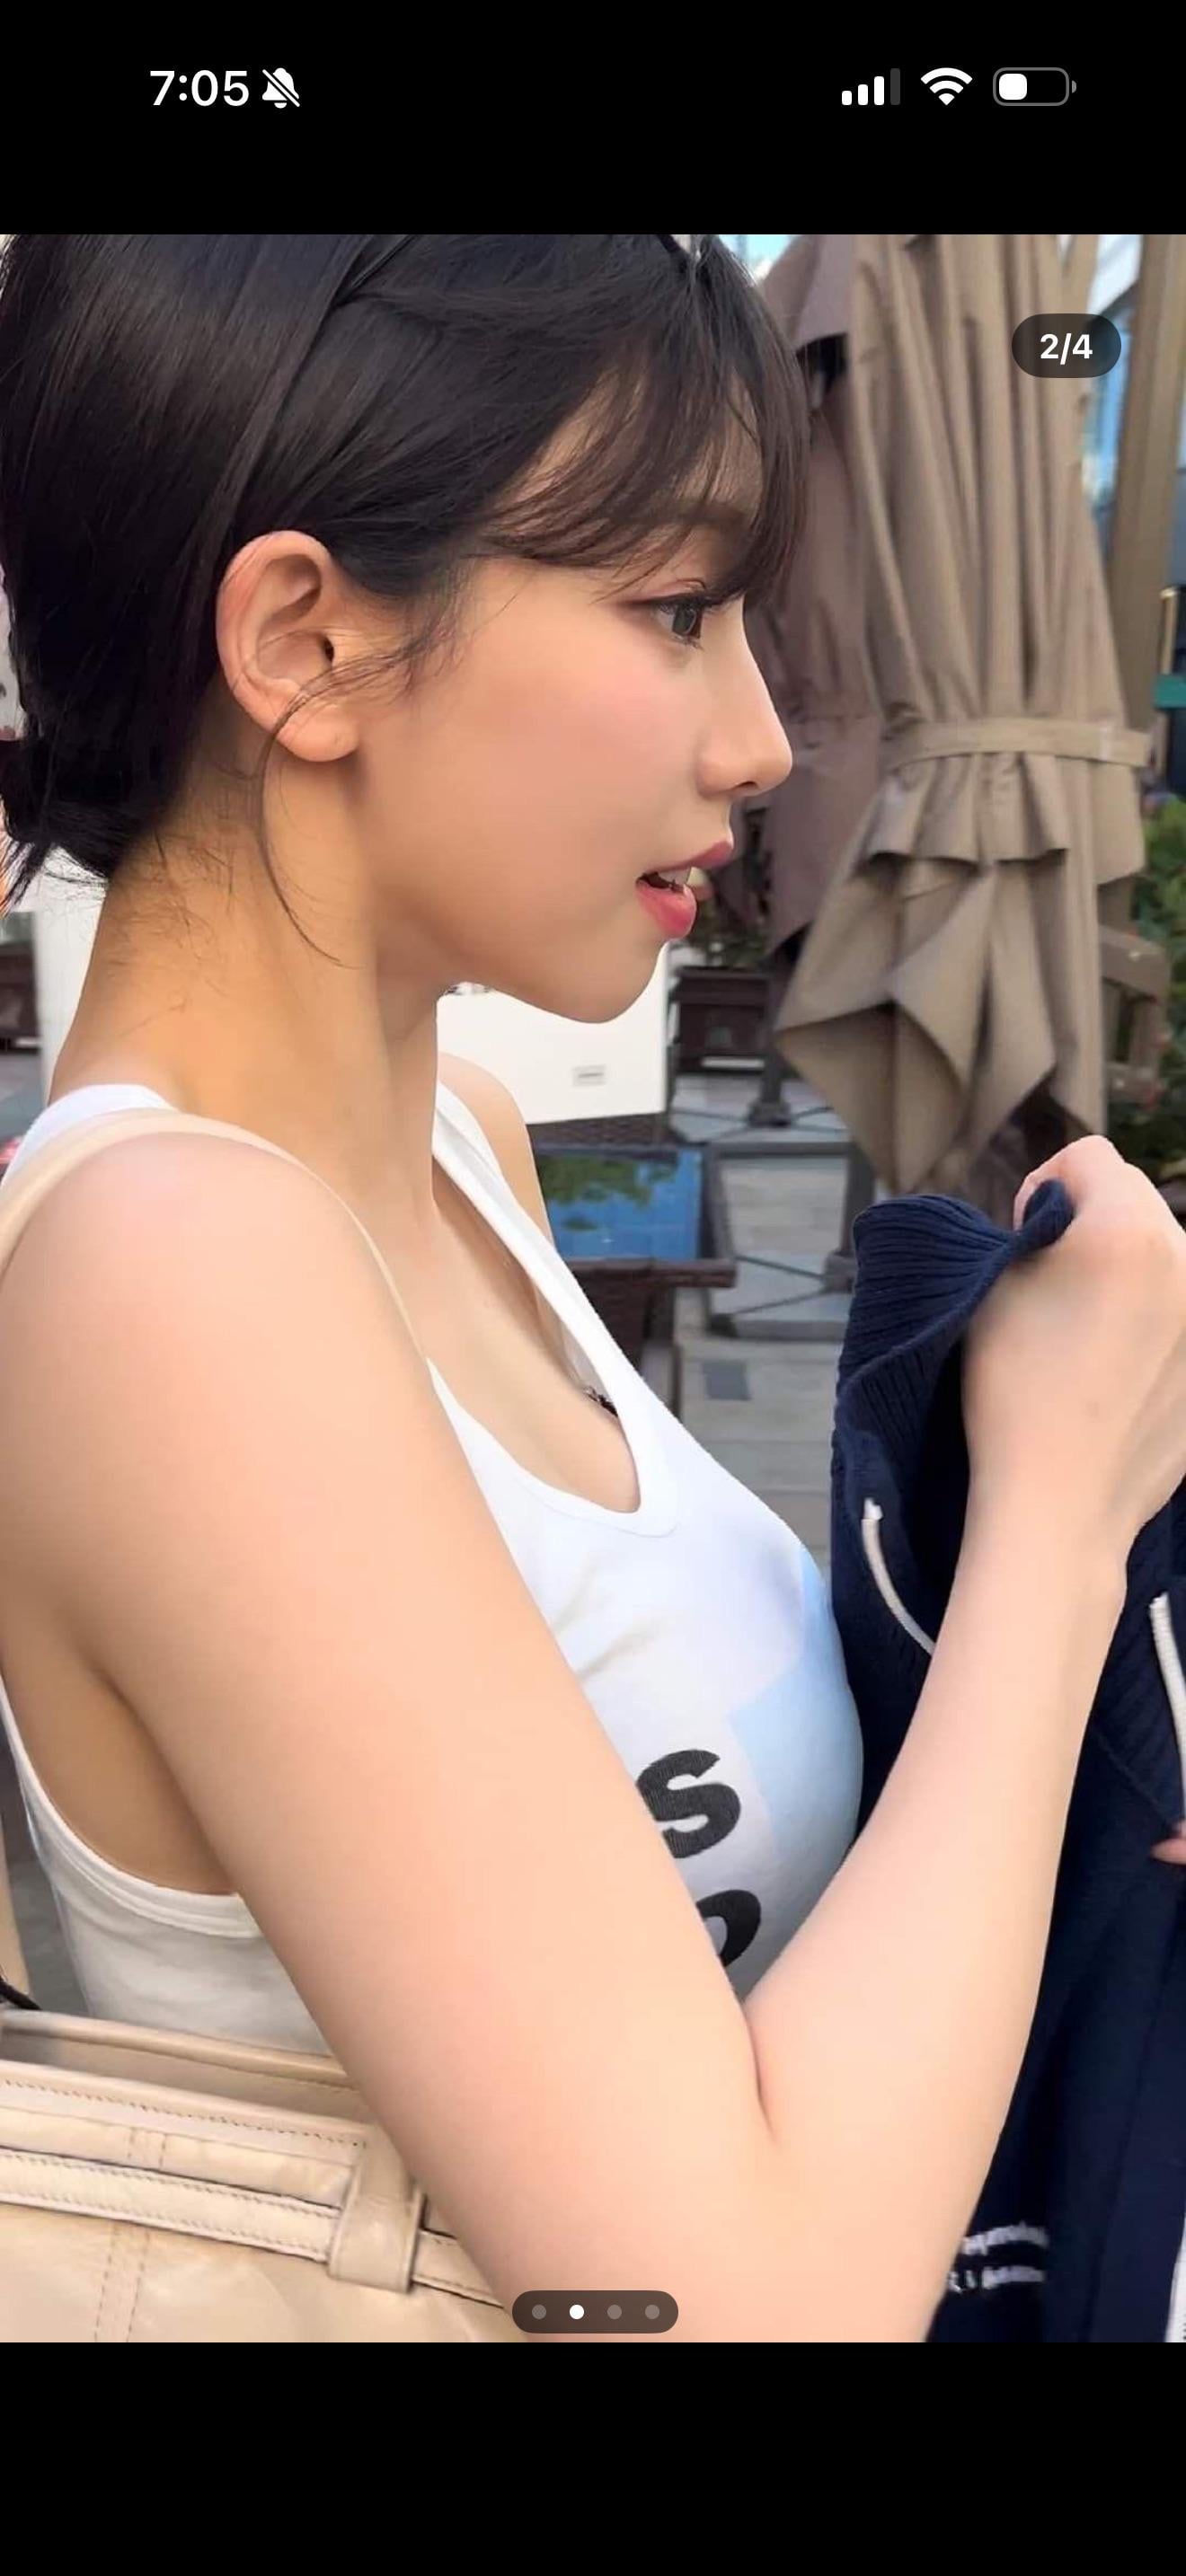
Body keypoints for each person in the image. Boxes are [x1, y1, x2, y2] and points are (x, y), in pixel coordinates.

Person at [1, 235, 1185, 2344]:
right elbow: (736, 2306)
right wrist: (1061, 1528)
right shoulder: (170, 1274)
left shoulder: (459, 1145)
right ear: (308, 641)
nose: (760, 737)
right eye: (676, 609)